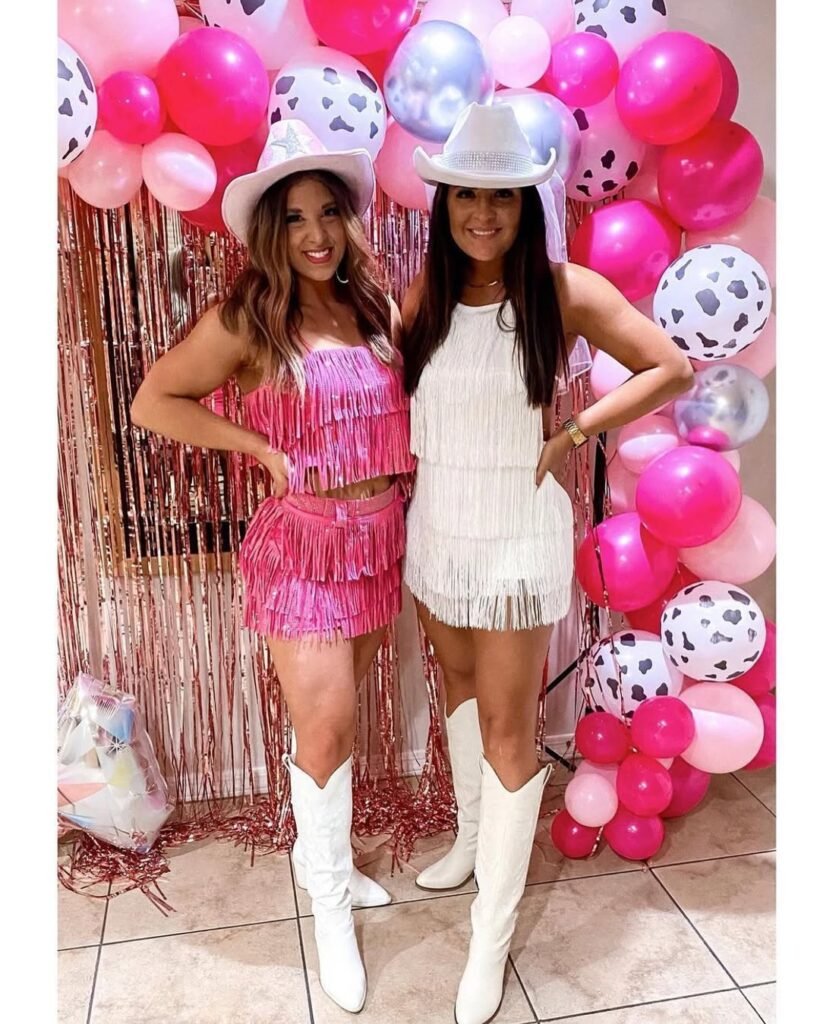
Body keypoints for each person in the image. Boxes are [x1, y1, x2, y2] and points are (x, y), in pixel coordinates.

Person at [401, 103, 694, 1024]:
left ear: (527, 204)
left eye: (501, 197)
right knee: (454, 685)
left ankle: (490, 937)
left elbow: (669, 367)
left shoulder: (563, 290)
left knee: (508, 729)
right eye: (465, 197)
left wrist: (575, 429)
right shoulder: (428, 294)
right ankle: (468, 840)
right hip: (438, 526)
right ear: (444, 203)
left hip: (517, 535)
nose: (481, 215)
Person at [130, 120, 415, 1015]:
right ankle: (328, 903)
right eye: (295, 219)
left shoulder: (371, 306)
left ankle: (314, 856)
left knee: (344, 718)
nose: (317, 235)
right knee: (326, 729)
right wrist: (253, 442)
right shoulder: (249, 317)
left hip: (378, 541)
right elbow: (154, 400)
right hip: (302, 548)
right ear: (270, 231)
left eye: (329, 212)